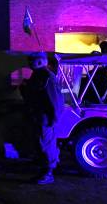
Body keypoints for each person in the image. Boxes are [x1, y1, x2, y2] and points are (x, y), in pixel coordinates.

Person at [20, 52, 64, 185]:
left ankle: (48, 174)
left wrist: (54, 118)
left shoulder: (46, 76)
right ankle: (44, 170)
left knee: (46, 144)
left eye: (31, 60)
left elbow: (54, 99)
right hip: (38, 115)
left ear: (39, 62)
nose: (29, 63)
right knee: (41, 143)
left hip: (45, 116)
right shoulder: (39, 75)